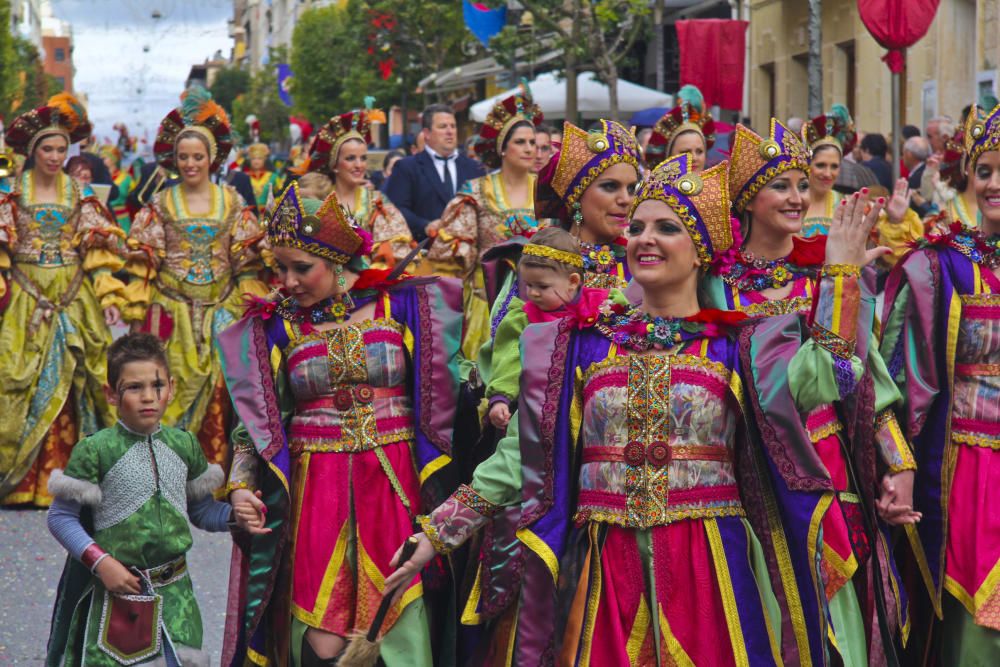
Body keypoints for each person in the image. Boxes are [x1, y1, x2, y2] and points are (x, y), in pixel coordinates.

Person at [387, 153, 898, 664]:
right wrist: (438, 533)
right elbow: (521, 454)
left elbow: (833, 373)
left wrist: (841, 274)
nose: (644, 238)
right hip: (609, 567)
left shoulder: (737, 347)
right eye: (636, 227)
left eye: (666, 228)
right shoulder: (583, 347)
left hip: (711, 568)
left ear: (700, 251)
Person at [218, 183, 465, 666]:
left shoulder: (403, 307)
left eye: (301, 268)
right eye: (280, 268)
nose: (287, 281)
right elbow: (259, 421)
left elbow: (447, 392)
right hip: (317, 493)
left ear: (336, 260)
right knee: (322, 634)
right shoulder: (279, 325)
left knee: (397, 615)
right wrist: (239, 485)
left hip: (393, 482)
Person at [715, 120, 915, 664]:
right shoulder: (717, 283)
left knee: (840, 618)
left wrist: (898, 465)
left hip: (828, 464)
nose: (799, 197)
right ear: (749, 198)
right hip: (747, 470)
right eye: (782, 185)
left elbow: (867, 377)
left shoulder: (822, 273)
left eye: (803, 185)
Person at [44, 333, 266, 666]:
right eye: (133, 388)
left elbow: (202, 511)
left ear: (172, 387)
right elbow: (60, 518)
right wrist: (101, 563)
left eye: (157, 385)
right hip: (119, 596)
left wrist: (236, 516)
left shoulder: (185, 445)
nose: (148, 397)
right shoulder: (95, 450)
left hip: (178, 598)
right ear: (111, 394)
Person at [881, 102, 1000, 664]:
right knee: (975, 623)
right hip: (969, 466)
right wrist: (898, 463)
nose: (995, 183)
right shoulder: (940, 266)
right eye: (985, 171)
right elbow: (896, 373)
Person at [121, 87, 269, 465]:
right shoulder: (160, 202)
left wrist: (248, 299)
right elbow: (144, 258)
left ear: (212, 159)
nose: (190, 164)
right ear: (174, 159)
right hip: (171, 311)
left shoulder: (233, 202)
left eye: (197, 157)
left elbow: (248, 261)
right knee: (165, 387)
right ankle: (160, 468)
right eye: (183, 157)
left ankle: (212, 471)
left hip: (222, 310)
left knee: (221, 388)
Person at [0, 93, 126, 507]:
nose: (55, 156)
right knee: (18, 377)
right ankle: (22, 480)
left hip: (74, 295)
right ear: (32, 151)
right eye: (47, 149)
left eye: (61, 149)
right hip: (25, 295)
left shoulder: (79, 192)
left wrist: (107, 293)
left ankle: (77, 474)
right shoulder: (10, 192)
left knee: (84, 377)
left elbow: (96, 247)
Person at [424, 88, 543, 358]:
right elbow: (450, 254)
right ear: (502, 147)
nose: (529, 149)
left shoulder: (546, 191)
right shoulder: (477, 190)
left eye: (532, 142)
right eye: (521, 142)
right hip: (485, 301)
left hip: (536, 300)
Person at [483, 227, 612, 431]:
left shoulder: (602, 305)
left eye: (542, 287)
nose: (532, 293)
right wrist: (501, 398)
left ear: (572, 282)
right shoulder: (524, 319)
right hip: (539, 410)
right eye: (528, 285)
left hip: (592, 410)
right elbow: (508, 360)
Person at [303, 107, 413, 267]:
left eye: (363, 158)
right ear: (334, 165)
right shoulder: (316, 200)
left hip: (369, 287)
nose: (359, 165)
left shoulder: (376, 202)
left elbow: (394, 252)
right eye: (350, 158)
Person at [384, 103, 486, 239]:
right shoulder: (407, 167)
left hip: (468, 252)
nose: (450, 131)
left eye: (453, 126)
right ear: (427, 133)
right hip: (423, 251)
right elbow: (395, 209)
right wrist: (425, 225)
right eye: (443, 127)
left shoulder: (475, 168)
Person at [800, 105, 854, 237]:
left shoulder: (847, 206)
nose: (828, 174)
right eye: (820, 165)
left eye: (834, 166)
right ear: (807, 165)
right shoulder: (792, 202)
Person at [643, 101, 716, 173]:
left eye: (699, 151)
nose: (694, 158)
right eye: (685, 153)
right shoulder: (654, 185)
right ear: (668, 157)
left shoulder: (719, 184)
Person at [99, 144, 135, 231]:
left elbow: (133, 201)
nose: (101, 161)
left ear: (113, 159)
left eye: (105, 158)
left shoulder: (127, 178)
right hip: (104, 220)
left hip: (122, 219)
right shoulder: (99, 177)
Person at [244, 142, 282, 216]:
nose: (256, 161)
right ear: (250, 160)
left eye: (259, 158)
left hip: (267, 216)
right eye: (253, 158)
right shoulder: (244, 177)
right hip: (248, 216)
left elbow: (281, 194)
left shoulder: (273, 177)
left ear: (264, 160)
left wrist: (272, 204)